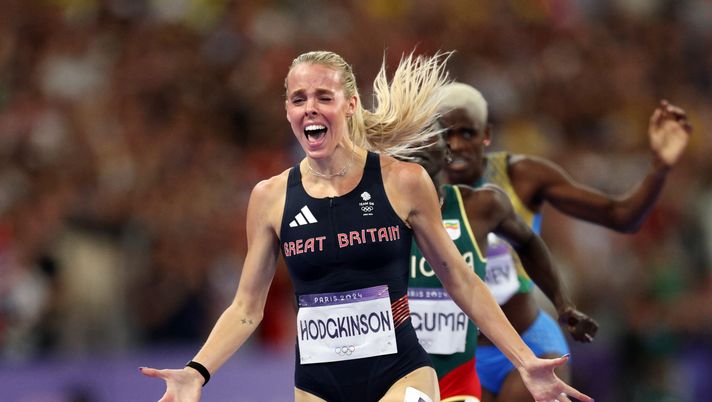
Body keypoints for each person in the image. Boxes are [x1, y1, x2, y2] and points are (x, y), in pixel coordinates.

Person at [140, 51, 593, 402]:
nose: (310, 109)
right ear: (287, 111)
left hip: (400, 372)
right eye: (299, 99)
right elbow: (245, 308)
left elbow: (461, 279)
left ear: (351, 105)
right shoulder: (270, 197)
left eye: (324, 97)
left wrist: (526, 360)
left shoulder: (402, 181)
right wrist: (196, 372)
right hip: (317, 383)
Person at [438, 82, 691, 402]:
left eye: (467, 134)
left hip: (529, 342)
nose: (456, 145)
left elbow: (622, 216)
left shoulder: (522, 176)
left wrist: (659, 167)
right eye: (446, 135)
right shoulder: (420, 189)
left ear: (485, 134)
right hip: (459, 353)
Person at [408, 132, 598, 402]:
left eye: (467, 133)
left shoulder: (485, 204)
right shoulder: (382, 214)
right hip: (448, 359)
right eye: (414, 139)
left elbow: (527, 243)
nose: (421, 145)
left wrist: (563, 305)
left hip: (522, 339)